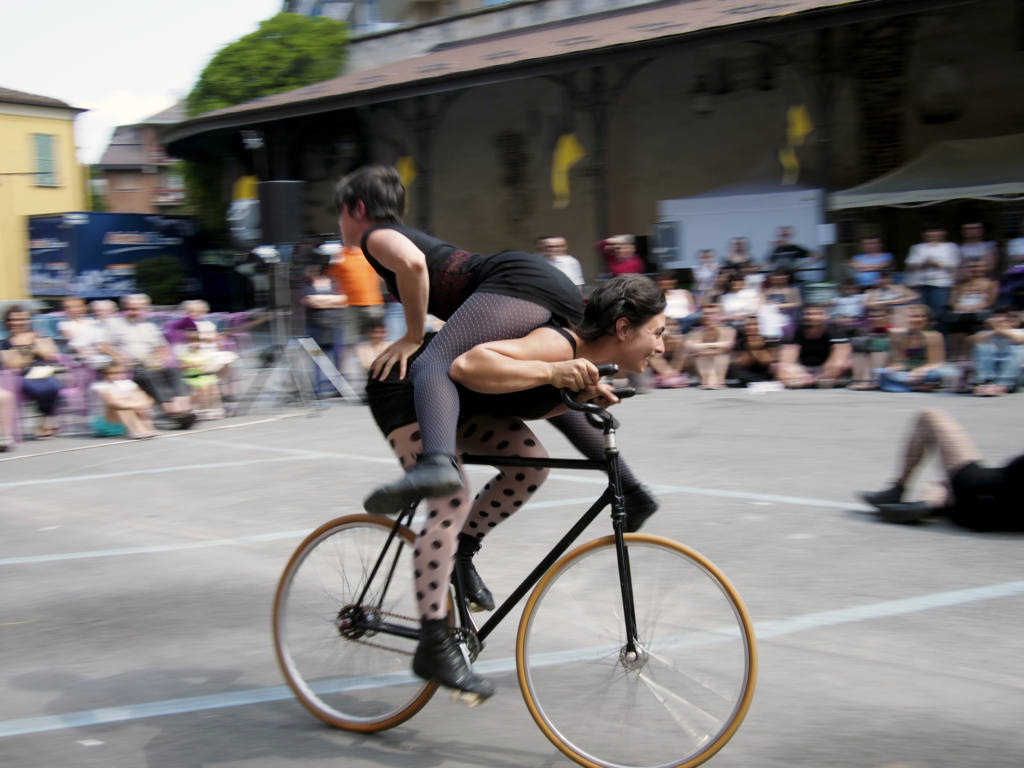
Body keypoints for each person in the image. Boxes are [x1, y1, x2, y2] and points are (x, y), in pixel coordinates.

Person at [365, 274, 665, 700]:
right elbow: (467, 365)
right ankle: (433, 643)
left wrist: (627, 482)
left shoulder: (581, 358)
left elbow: (562, 412)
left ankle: (461, 553)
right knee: (451, 498)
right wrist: (554, 373)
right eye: (658, 333)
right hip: (408, 388)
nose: (662, 347)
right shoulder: (558, 346)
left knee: (529, 465)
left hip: (464, 403)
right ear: (623, 329)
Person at [335, 165, 584, 514]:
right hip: (550, 289)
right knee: (540, 378)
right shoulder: (401, 233)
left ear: (358, 208)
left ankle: (437, 462)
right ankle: (628, 484)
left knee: (432, 362)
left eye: (340, 212)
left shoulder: (375, 236)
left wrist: (412, 335)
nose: (340, 222)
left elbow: (414, 265)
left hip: (518, 282)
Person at [860, 408, 1024, 530]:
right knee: (948, 486)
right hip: (992, 518)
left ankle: (898, 489)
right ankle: (937, 499)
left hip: (981, 489)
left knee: (930, 416)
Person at [103, 294, 196, 429]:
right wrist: (120, 357)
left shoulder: (149, 326)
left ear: (144, 309)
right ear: (124, 308)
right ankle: (173, 411)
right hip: (132, 365)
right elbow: (104, 345)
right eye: (129, 308)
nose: (133, 312)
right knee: (152, 376)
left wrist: (163, 357)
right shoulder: (113, 324)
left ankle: (185, 409)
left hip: (152, 361)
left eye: (137, 309)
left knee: (174, 371)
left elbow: (162, 346)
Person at [1, 305, 63, 439]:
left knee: (53, 385)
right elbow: (13, 364)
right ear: (8, 322)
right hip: (22, 375)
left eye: (22, 319)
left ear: (28, 320)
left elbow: (50, 354)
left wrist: (27, 351)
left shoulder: (38, 334)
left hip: (43, 370)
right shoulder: (6, 342)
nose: (18, 322)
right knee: (39, 388)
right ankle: (47, 421)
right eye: (14, 319)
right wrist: (33, 349)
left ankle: (45, 420)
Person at [325, 242, 386, 374]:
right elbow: (333, 277)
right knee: (349, 342)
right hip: (351, 306)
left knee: (377, 339)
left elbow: (380, 275)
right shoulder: (340, 255)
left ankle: (379, 372)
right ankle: (348, 376)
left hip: (373, 303)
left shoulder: (369, 253)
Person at [775, 304, 852, 388]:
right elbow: (788, 361)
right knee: (780, 368)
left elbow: (838, 359)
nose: (812, 317)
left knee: (845, 364)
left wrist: (821, 375)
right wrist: (803, 376)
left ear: (826, 316)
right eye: (808, 314)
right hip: (802, 369)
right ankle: (821, 382)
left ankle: (822, 381)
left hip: (827, 367)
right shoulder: (792, 330)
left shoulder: (835, 329)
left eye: (818, 313)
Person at [875, 303, 947, 393]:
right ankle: (916, 386)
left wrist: (921, 370)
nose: (918, 319)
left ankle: (906, 386)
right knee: (882, 372)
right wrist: (894, 368)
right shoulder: (898, 335)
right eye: (913, 316)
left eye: (922, 316)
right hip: (907, 373)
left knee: (935, 375)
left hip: (925, 372)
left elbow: (937, 363)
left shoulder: (934, 335)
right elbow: (898, 362)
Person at [944, 259, 998, 361]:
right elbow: (952, 301)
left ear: (984, 268)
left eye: (977, 266)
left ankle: (968, 355)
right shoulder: (959, 285)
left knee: (973, 323)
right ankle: (955, 356)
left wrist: (975, 307)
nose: (974, 269)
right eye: (971, 267)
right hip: (961, 312)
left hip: (980, 313)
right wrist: (959, 306)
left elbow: (990, 301)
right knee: (955, 324)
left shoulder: (991, 283)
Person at [88, 360, 157, 439]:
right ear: (104, 374)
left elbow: (147, 400)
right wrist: (137, 404)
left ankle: (147, 428)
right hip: (105, 423)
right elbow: (113, 403)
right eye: (112, 373)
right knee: (121, 405)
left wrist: (139, 403)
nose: (117, 375)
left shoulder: (127, 383)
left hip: (122, 426)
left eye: (120, 372)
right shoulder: (99, 386)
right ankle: (136, 430)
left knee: (136, 397)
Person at [905, 226, 959, 321]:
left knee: (939, 313)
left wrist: (937, 263)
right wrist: (924, 262)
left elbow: (954, 264)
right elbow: (910, 263)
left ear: (943, 233)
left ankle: (940, 334)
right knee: (921, 313)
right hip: (921, 285)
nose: (933, 234)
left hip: (941, 285)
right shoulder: (917, 247)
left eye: (936, 231)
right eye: (930, 231)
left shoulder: (950, 246)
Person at [969, 306, 1024, 395]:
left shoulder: (1019, 331)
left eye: (1002, 321)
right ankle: (986, 382)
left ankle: (1003, 384)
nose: (998, 323)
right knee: (982, 346)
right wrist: (995, 331)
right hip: (993, 370)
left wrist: (1002, 330)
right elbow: (973, 341)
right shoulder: (984, 334)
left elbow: (1021, 340)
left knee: (1020, 349)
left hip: (1015, 375)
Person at [683, 303, 735, 389]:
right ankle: (709, 380)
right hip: (701, 360)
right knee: (696, 355)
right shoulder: (696, 332)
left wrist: (704, 347)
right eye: (706, 313)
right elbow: (690, 346)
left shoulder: (729, 330)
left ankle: (716, 380)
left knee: (722, 355)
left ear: (720, 315)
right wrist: (715, 346)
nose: (709, 316)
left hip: (722, 361)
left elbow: (727, 346)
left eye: (713, 313)